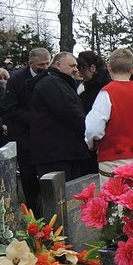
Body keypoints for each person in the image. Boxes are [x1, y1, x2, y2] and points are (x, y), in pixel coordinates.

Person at [84, 48, 133, 190]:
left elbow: (93, 129)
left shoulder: (106, 93)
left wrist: (92, 144)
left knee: (112, 205)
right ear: (132, 69)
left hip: (111, 158)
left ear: (109, 68)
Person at [1, 48, 51, 215]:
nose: (44, 67)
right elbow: (11, 108)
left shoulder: (51, 77)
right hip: (25, 136)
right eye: (40, 65)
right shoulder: (16, 80)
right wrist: (36, 118)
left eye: (47, 64)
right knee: (28, 177)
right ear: (30, 64)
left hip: (46, 137)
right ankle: (33, 214)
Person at [29, 52, 90, 181]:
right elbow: (69, 111)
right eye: (71, 65)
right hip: (56, 153)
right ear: (58, 65)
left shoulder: (61, 82)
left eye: (76, 66)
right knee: (61, 195)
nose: (75, 69)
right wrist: (89, 128)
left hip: (63, 151)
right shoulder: (52, 83)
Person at [77, 50, 112, 176]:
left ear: (92, 68)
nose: (80, 73)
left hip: (98, 141)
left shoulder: (101, 87)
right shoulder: (88, 85)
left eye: (82, 69)